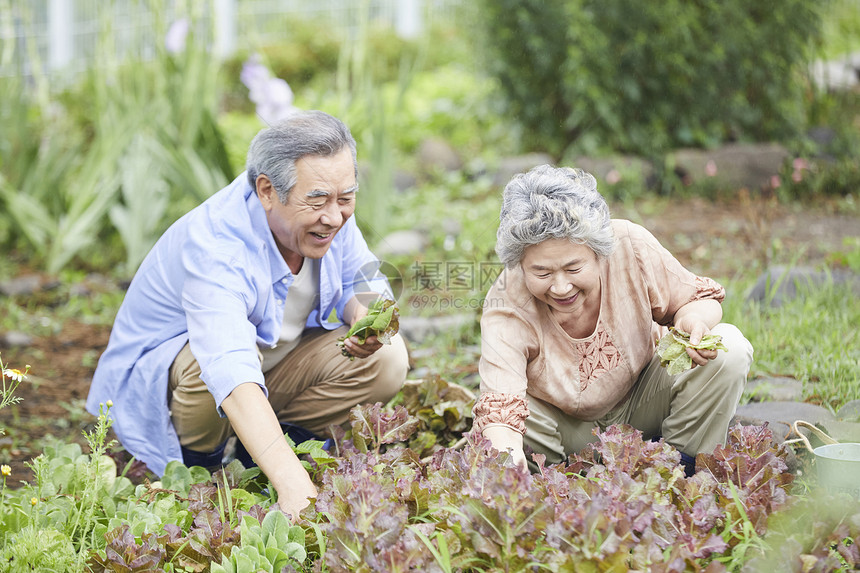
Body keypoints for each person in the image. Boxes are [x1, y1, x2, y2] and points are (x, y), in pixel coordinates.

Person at [87, 110, 409, 519]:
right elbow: (230, 368)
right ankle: (200, 470)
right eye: (318, 200)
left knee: (388, 356)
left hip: (270, 370)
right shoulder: (216, 246)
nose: (334, 216)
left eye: (346, 198)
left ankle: (274, 452)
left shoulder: (329, 217)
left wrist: (364, 314)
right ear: (267, 191)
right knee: (214, 362)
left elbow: (362, 279)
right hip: (181, 391)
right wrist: (297, 492)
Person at [473, 165, 753, 475]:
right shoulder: (507, 303)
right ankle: (561, 482)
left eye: (574, 269)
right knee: (498, 427)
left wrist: (693, 321)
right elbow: (500, 410)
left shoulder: (629, 246)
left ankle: (678, 471)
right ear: (520, 265)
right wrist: (506, 470)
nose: (561, 287)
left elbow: (696, 299)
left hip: (645, 401)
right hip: (568, 435)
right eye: (542, 272)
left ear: (598, 252)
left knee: (730, 348)